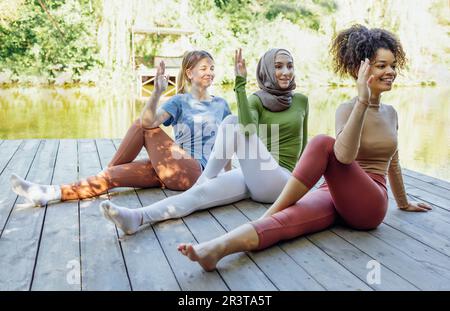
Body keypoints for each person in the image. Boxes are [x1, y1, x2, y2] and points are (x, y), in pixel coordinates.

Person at [177, 25, 432, 272]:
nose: (391, 71)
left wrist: (404, 202)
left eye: (393, 65)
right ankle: (216, 249)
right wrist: (361, 103)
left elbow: (390, 162)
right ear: (361, 69)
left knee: (321, 142)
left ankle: (268, 212)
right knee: (285, 222)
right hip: (333, 191)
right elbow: (344, 156)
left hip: (370, 203)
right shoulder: (346, 109)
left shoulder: (391, 114)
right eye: (382, 66)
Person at [100, 48, 310, 235]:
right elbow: (248, 130)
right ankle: (137, 217)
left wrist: (301, 185)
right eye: (278, 66)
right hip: (256, 176)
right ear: (266, 71)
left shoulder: (301, 100)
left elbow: (303, 147)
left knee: (230, 121)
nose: (286, 72)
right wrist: (240, 84)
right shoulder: (255, 100)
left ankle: (205, 177)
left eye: (290, 66)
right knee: (199, 195)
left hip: (282, 180)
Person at [10, 50, 231, 207]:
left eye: (212, 68)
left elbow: (228, 142)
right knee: (110, 176)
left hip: (195, 172)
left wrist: (229, 179)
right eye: (203, 68)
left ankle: (105, 169)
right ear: (189, 73)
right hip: (171, 168)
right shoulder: (179, 101)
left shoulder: (221, 104)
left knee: (141, 125)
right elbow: (150, 121)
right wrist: (156, 93)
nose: (209, 72)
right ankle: (49, 193)